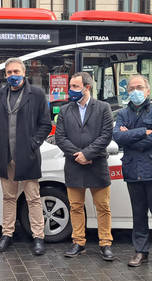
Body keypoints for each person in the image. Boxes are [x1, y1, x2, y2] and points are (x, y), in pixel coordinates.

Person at [0, 58, 52, 255]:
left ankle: (38, 237)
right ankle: (7, 234)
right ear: (5, 75)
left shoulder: (37, 94)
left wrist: (33, 144)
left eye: (16, 71)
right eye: (9, 72)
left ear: (24, 73)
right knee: (8, 198)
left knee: (33, 198)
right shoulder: (0, 94)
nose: (12, 76)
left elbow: (45, 124)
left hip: (28, 156)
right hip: (6, 156)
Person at [112, 74, 152, 270]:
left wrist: (131, 136)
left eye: (139, 87)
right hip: (133, 170)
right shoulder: (122, 114)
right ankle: (140, 252)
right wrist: (143, 132)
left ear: (147, 91)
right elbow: (118, 137)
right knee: (138, 214)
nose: (135, 91)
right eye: (131, 88)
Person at [54, 72, 115, 260]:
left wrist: (88, 154)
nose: (70, 90)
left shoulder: (103, 108)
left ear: (87, 88)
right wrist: (78, 156)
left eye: (75, 87)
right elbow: (60, 138)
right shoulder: (64, 110)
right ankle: (78, 242)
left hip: (97, 165)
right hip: (74, 165)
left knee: (103, 206)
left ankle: (105, 243)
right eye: (70, 86)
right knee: (75, 206)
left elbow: (106, 135)